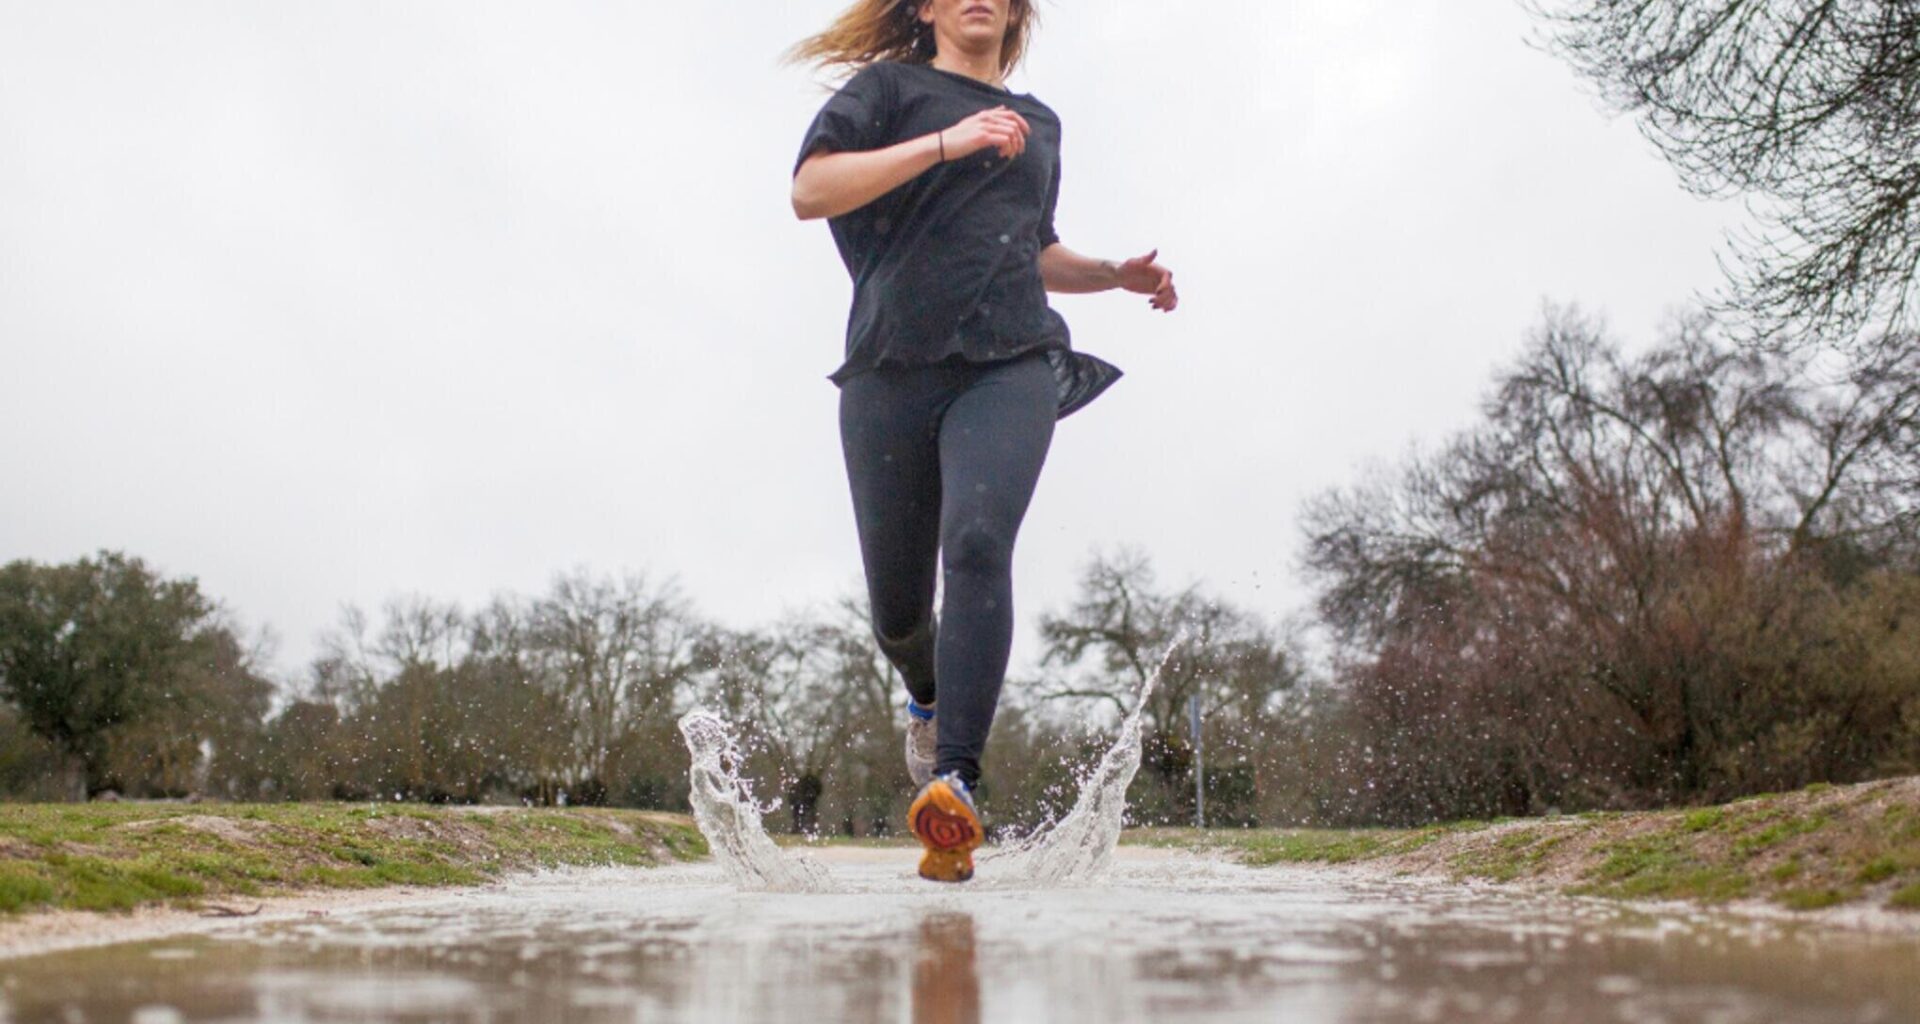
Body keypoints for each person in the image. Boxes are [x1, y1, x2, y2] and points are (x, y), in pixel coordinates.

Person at [789, 0, 1178, 882]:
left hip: (1010, 361)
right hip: (891, 367)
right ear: (926, 8)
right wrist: (946, 143)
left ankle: (956, 786)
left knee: (976, 542)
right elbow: (810, 192)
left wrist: (1111, 273)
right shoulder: (885, 90)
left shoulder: (1038, 125)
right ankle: (926, 699)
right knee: (896, 613)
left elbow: (1031, 248)